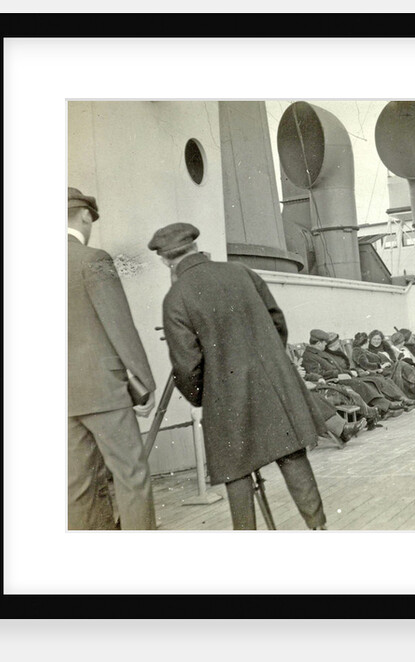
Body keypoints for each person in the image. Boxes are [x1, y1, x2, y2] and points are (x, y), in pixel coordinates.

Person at [149, 222, 328, 530]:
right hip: (272, 384)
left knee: (236, 470)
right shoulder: (242, 272)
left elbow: (186, 364)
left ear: (166, 260)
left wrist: (204, 395)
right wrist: (267, 361)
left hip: (226, 396)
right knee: (291, 454)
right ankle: (318, 526)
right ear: (195, 247)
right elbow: (277, 322)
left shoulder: (175, 298)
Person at [67, 187, 157, 530]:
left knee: (77, 488)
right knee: (130, 477)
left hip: (63, 399)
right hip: (104, 391)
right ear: (86, 215)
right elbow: (120, 326)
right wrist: (143, 382)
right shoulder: (93, 259)